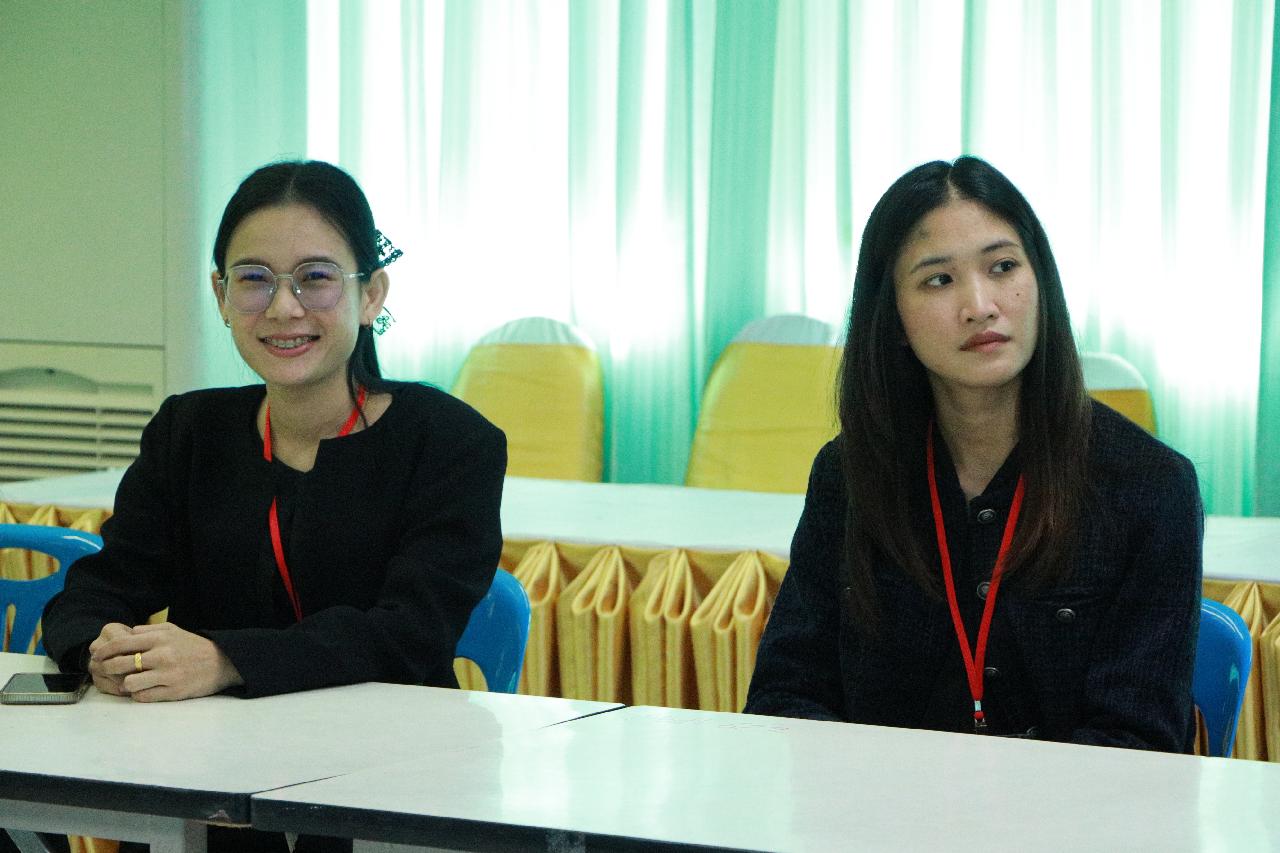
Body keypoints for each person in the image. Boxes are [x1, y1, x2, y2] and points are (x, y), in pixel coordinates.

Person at [39, 160, 505, 852]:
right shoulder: (190, 430)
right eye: (254, 279)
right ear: (221, 295)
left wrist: (225, 659)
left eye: (315, 277)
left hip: (390, 787)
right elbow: (99, 588)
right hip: (207, 780)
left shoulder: (449, 442)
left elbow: (410, 634)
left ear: (371, 294)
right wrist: (103, 647)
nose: (284, 307)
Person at [744, 156, 1203, 752]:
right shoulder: (849, 475)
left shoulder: (1149, 486)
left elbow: (1136, 744)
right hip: (877, 804)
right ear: (894, 316)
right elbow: (785, 699)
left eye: (1003, 266)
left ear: (1040, 281)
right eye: (939, 280)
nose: (980, 305)